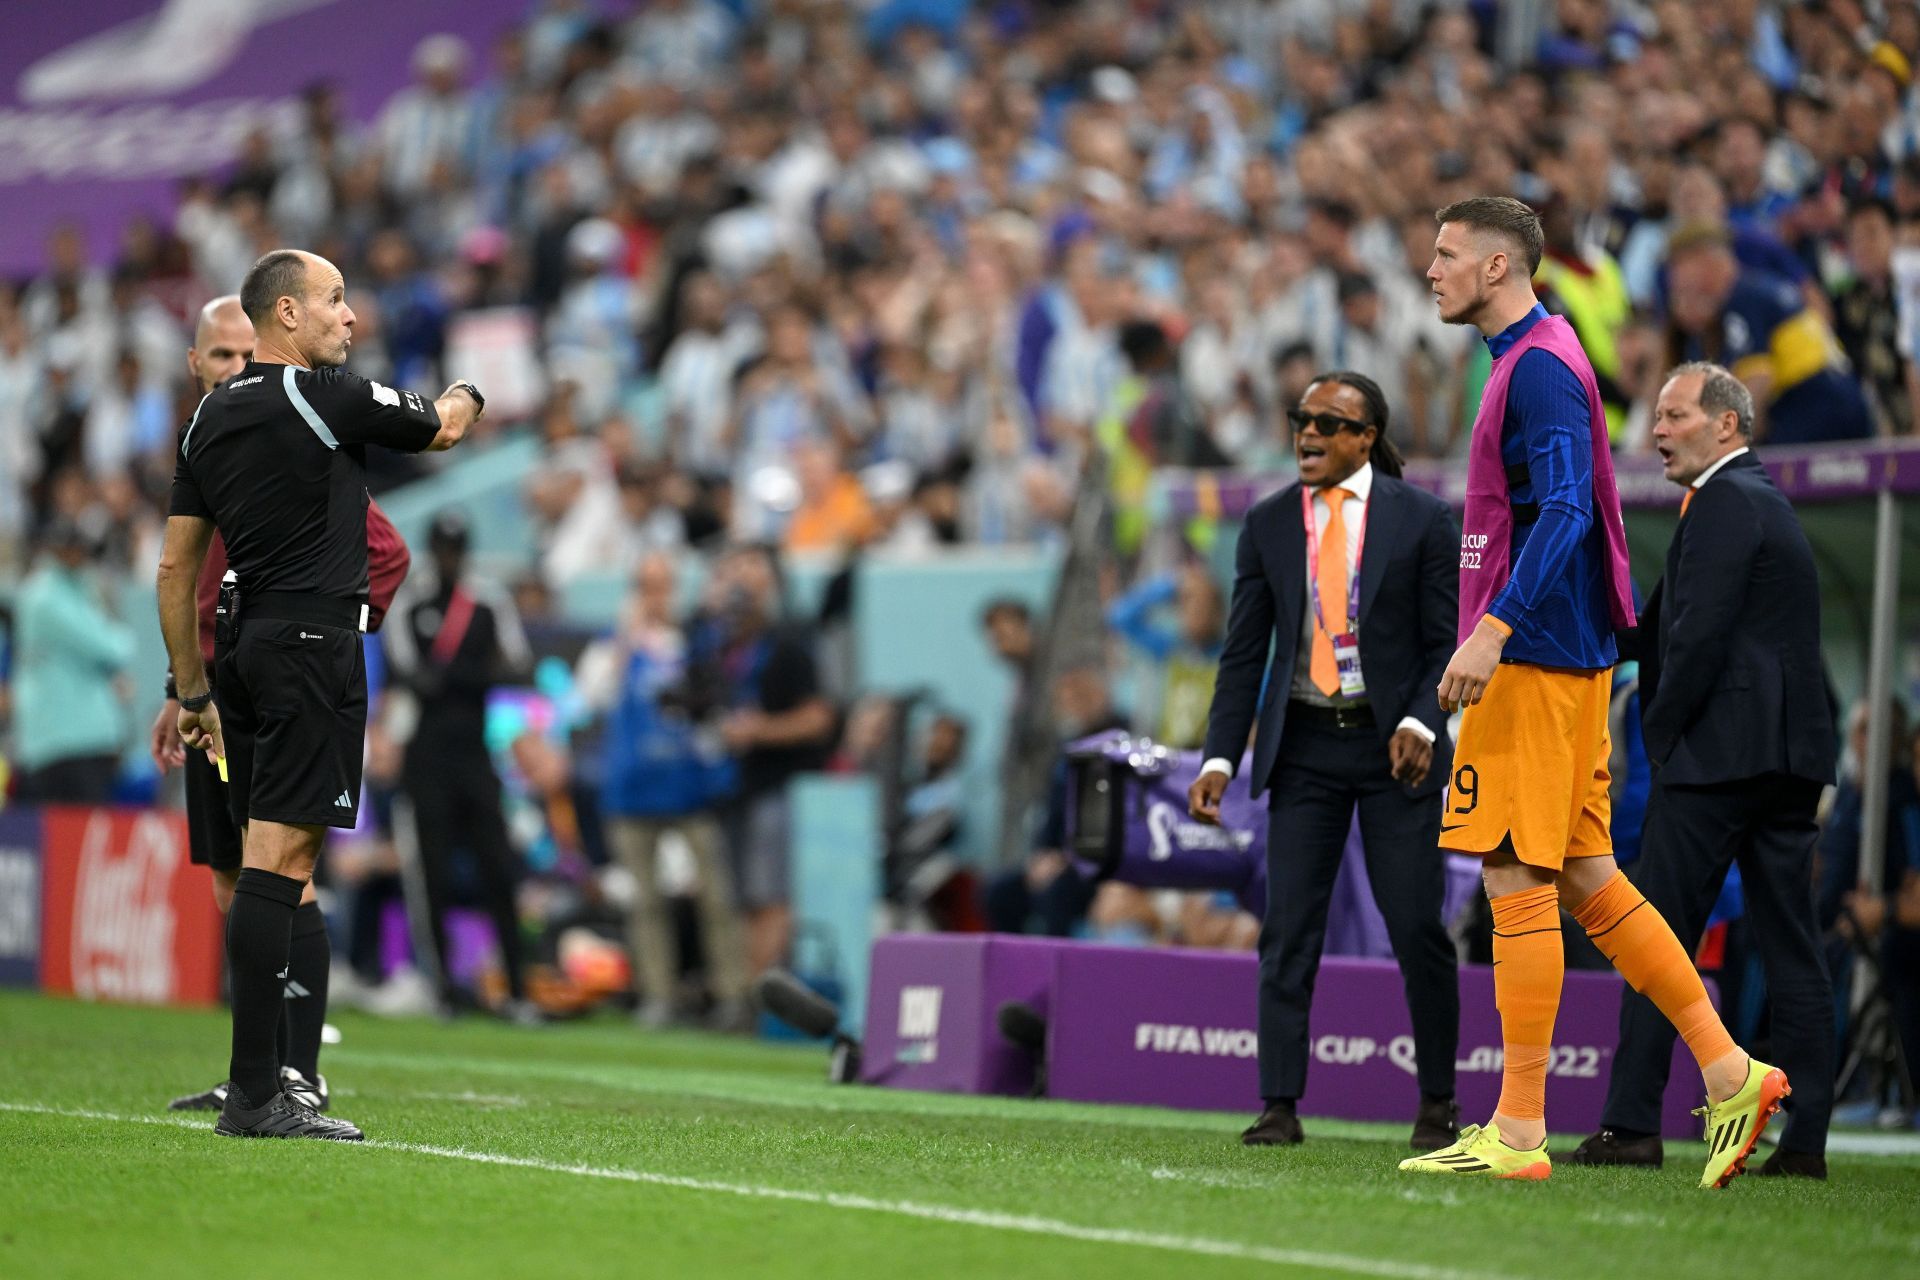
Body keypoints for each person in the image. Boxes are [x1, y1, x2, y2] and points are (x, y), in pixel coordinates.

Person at [1410, 197, 1780, 1188]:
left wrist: (1493, 625)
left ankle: (1520, 1125)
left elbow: (1570, 506)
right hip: (1565, 656)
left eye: (1447, 256)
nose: (1432, 271)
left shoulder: (1536, 369)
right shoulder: (1537, 358)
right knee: (1591, 880)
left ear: (1497, 265)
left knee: (1511, 873)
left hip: (1534, 656)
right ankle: (1732, 1067)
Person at [159, 248, 479, 1141]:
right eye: (335, 300)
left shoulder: (207, 421)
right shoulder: (325, 396)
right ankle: (267, 1089)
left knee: (258, 866)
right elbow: (444, 427)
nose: (350, 316)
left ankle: (267, 1084)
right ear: (287, 315)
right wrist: (472, 390)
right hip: (312, 648)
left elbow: (175, 566)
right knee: (281, 868)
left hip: (242, 652)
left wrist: (190, 688)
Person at [1567, 363, 1838, 1177]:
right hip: (1785, 762)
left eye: (1674, 415)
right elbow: (1651, 630)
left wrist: (1655, 736)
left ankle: (1632, 1125)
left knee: (1653, 938)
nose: (1656, 431)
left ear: (1727, 425)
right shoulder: (1755, 500)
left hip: (1719, 763)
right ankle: (1806, 1144)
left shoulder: (1724, 501)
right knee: (1793, 945)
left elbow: (1692, 641)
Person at [1188, 371, 1462, 1153]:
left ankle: (1437, 1103)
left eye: (1328, 423)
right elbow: (1244, 655)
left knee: (1417, 927)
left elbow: (1446, 642)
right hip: (1303, 746)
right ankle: (1279, 1103)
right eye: (1300, 419)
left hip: (1395, 753)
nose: (1307, 434)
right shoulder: (1269, 523)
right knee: (1288, 929)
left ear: (1367, 436)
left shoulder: (1424, 521)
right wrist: (1217, 757)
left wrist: (1421, 719)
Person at [384, 510, 539, 1023]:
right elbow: (410, 674)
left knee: (498, 865)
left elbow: (516, 663)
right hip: (428, 753)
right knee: (432, 869)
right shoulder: (414, 601)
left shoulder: (488, 601)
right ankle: (444, 987)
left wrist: (452, 675)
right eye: (444, 548)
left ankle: (516, 986)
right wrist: (470, 674)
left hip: (474, 751)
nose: (451, 558)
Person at [596, 550, 747, 1029]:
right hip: (633, 791)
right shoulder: (616, 647)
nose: (657, 596)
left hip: (688, 788)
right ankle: (657, 995)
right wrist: (627, 635)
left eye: (664, 585)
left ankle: (732, 994)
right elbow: (595, 696)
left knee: (716, 897)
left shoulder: (694, 643)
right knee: (646, 904)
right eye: (648, 585)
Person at [698, 543, 835, 976]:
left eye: (751, 574)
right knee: (737, 898)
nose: (739, 586)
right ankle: (743, 992)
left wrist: (761, 730)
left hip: (775, 784)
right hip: (730, 784)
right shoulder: (717, 644)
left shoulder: (789, 641)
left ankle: (764, 999)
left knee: (769, 895)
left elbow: (819, 718)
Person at [1663, 222, 1873, 445]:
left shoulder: (1743, 299)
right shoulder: (1755, 290)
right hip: (1841, 400)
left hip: (1817, 404)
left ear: (1706, 261)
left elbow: (1756, 382)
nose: (1675, 281)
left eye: (1679, 266)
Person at [11, 517, 136, 804]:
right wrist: (113, 628)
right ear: (58, 551)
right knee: (70, 837)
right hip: (64, 741)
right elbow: (113, 647)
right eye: (76, 549)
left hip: (77, 740)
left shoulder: (71, 588)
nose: (83, 557)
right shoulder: (45, 596)